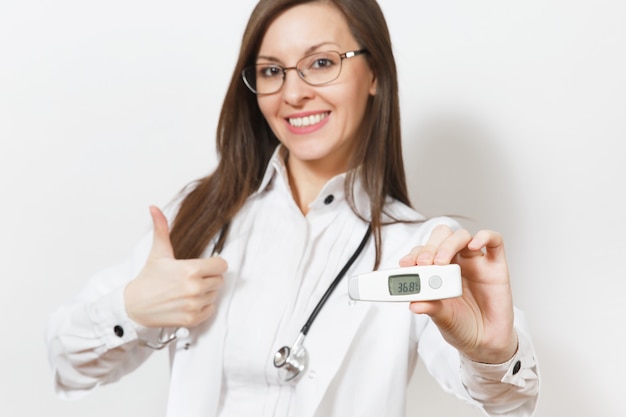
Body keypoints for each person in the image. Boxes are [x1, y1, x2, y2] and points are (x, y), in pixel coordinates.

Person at [46, 0, 540, 416]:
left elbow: (510, 401)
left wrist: (492, 352)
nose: (294, 91)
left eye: (322, 62)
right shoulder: (200, 216)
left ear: (374, 74)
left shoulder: (422, 249)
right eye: (271, 71)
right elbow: (65, 364)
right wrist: (131, 309)